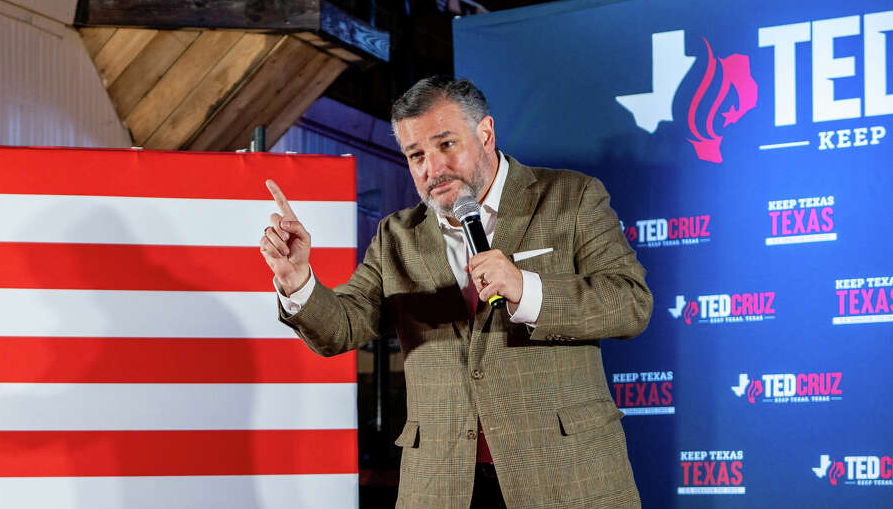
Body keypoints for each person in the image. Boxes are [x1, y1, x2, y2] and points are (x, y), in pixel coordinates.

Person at [260, 76, 652, 508]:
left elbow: (630, 303)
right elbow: (343, 327)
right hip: (441, 486)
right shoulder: (397, 236)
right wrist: (297, 280)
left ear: (485, 133)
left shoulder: (571, 197)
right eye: (416, 156)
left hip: (566, 477)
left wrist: (526, 290)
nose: (432, 169)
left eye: (446, 145)